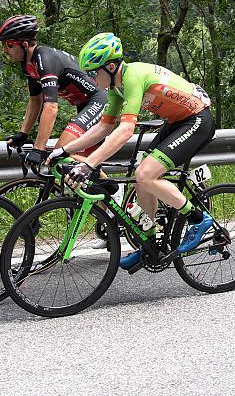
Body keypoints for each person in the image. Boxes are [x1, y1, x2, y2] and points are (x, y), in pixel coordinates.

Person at [48, 32, 216, 269]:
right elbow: (104, 127)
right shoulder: (117, 89)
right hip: (177, 123)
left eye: (95, 72)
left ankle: (198, 219)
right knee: (141, 179)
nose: (93, 79)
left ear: (111, 66)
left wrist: (88, 164)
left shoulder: (133, 76)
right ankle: (148, 242)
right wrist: (65, 150)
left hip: (196, 121)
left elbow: (126, 130)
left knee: (145, 175)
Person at [0, 15, 107, 167]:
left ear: (24, 44)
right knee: (78, 163)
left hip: (98, 100)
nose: (5, 50)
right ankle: (108, 188)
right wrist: (23, 133)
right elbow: (36, 101)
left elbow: (51, 107)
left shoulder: (44, 58)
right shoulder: (29, 64)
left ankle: (111, 188)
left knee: (59, 153)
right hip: (84, 104)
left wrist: (39, 148)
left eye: (8, 44)